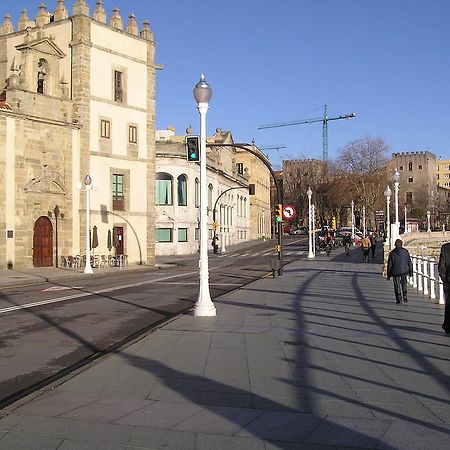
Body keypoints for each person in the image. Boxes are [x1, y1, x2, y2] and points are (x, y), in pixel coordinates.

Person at [387, 239, 413, 304]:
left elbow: (390, 265)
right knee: (404, 284)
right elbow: (409, 262)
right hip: (404, 271)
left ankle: (399, 299)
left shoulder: (392, 253)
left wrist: (389, 275)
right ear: (402, 244)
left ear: (395, 245)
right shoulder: (406, 252)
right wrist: (411, 271)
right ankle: (405, 296)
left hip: (395, 272)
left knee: (397, 285)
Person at [438, 242, 450, 334]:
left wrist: (444, 279)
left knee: (448, 304)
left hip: (448, 281)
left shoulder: (445, 248)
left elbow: (441, 266)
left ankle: (447, 325)